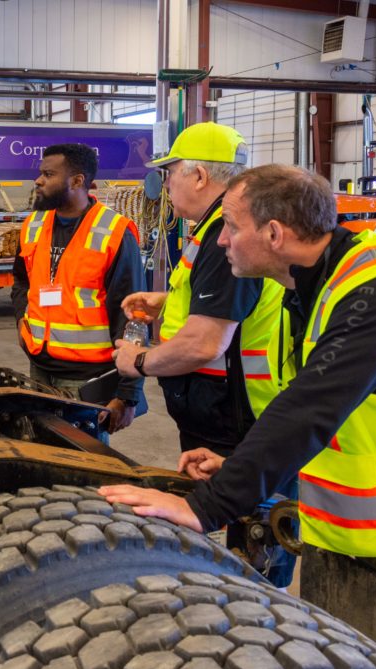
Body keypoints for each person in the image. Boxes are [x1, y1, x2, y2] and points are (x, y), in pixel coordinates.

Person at [101, 163, 376, 649]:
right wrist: (244, 466)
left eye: (232, 228)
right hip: (367, 548)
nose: (222, 241)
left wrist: (205, 508)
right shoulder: (310, 287)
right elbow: (349, 429)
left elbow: (312, 407)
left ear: (274, 233)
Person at [114, 122, 284, 455]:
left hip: (232, 420)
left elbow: (205, 343)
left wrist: (138, 362)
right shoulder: (216, 228)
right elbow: (233, 302)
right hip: (225, 412)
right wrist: (168, 301)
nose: (166, 185)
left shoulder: (226, 235)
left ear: (200, 176)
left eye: (171, 173)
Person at [12, 143, 145, 436]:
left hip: (86, 377)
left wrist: (127, 394)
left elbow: (133, 315)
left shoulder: (113, 232)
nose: (38, 180)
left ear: (77, 180)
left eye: (48, 174)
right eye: (40, 173)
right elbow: (22, 280)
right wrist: (21, 321)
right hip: (39, 365)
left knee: (83, 461)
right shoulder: (34, 224)